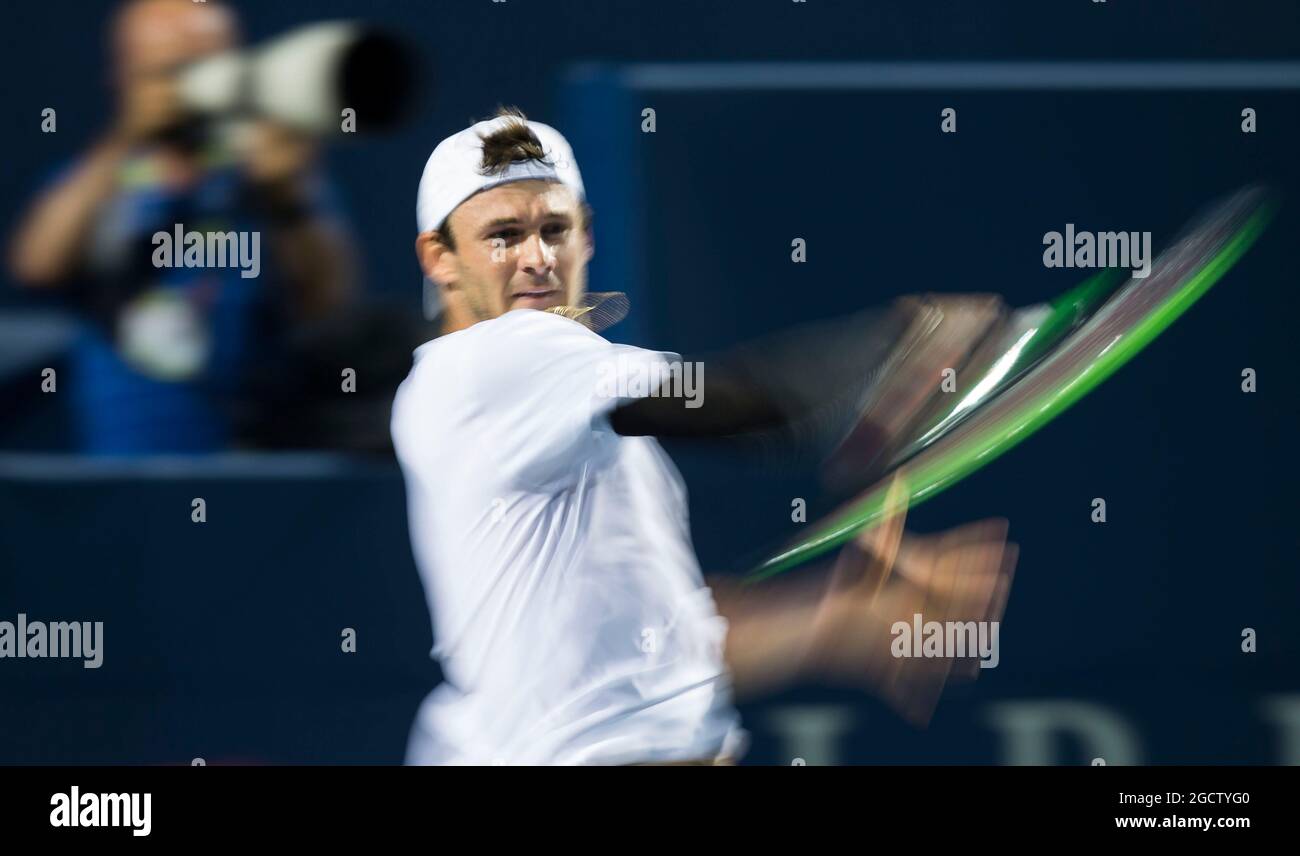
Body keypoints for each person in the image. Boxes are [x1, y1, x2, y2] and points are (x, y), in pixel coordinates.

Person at [391, 107, 1017, 765]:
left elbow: (656, 660)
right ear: (441, 258)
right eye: (503, 235)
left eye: (555, 228)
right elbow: (746, 404)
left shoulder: (558, 414)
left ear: (587, 238)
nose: (537, 258)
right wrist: (901, 345)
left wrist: (840, 617)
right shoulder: (495, 363)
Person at [7, 0, 355, 453]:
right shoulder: (99, 182)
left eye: (208, 67)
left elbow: (327, 303)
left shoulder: (263, 177)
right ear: (124, 75)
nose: (190, 88)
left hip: (249, 470)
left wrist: (288, 197)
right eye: (168, 71)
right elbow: (36, 265)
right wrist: (126, 139)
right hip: (121, 476)